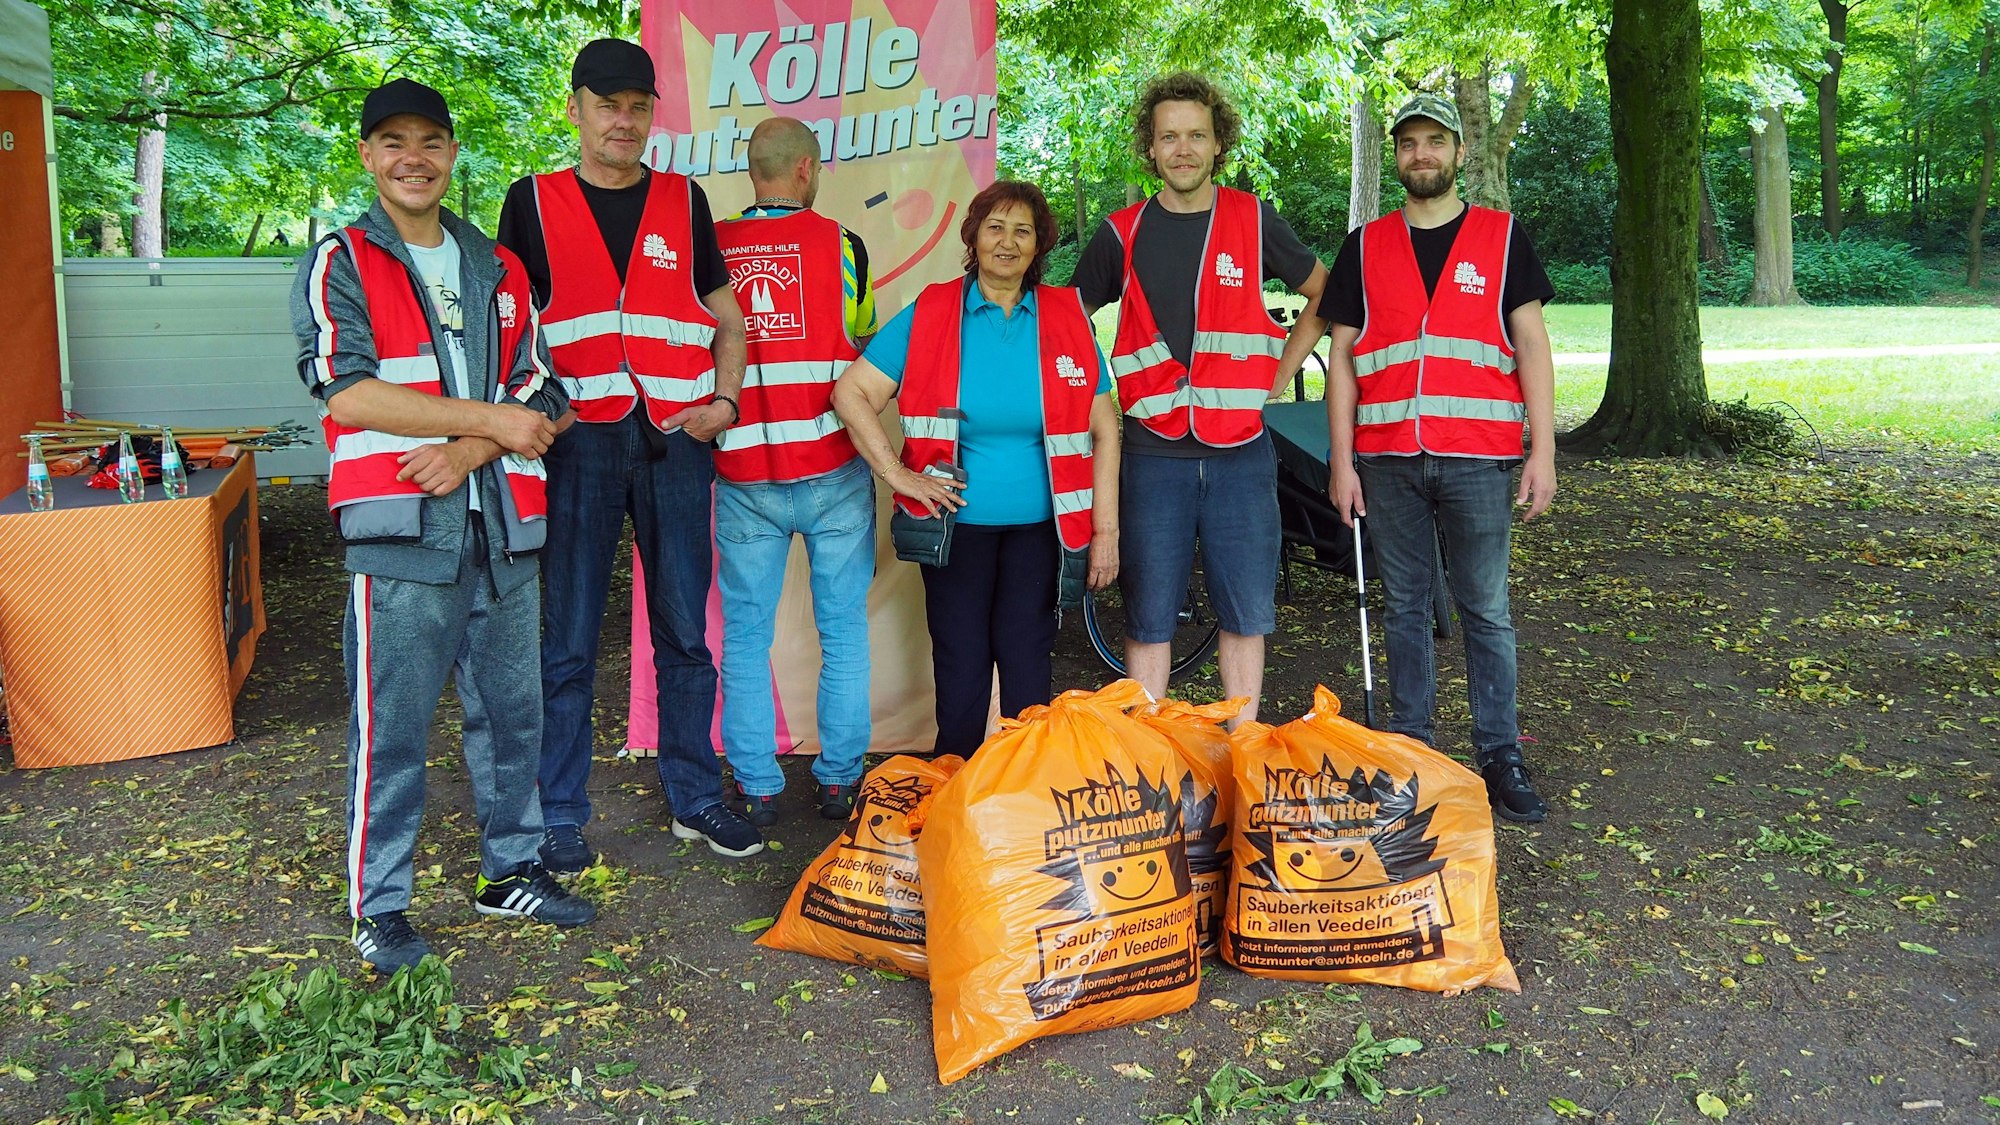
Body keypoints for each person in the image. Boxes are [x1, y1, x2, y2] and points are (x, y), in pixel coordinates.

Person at [291, 78, 595, 975]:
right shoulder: (341, 259)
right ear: (366, 156)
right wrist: (490, 424)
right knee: (391, 730)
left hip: (501, 524)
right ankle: (379, 904)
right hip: (398, 528)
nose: (413, 158)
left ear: (453, 153)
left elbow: (546, 393)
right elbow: (345, 387)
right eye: (393, 142)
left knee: (513, 717)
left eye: (430, 141)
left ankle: (511, 870)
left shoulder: (497, 264)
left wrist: (475, 445)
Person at [496, 40, 761, 863]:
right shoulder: (531, 202)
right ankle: (559, 810)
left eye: (638, 105)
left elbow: (728, 318)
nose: (623, 119)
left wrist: (724, 399)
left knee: (685, 630)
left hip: (676, 441)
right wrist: (543, 411)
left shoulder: (684, 202)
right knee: (568, 637)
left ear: (653, 113)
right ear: (574, 107)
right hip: (578, 445)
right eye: (607, 103)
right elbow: (511, 325)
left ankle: (694, 796)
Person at [1317, 93, 1558, 824]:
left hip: (1479, 459)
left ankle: (1499, 754)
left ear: (1458, 153)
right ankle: (1411, 749)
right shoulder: (1365, 244)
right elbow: (1343, 359)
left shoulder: (1502, 236)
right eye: (1408, 143)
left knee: (1486, 611)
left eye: (1433, 142)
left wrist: (1541, 449)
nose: (1420, 154)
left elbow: (1532, 346)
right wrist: (1340, 458)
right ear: (1396, 156)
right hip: (1386, 460)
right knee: (1404, 608)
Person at [1072, 72, 1326, 727]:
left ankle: (1243, 748)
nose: (1182, 149)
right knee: (1150, 610)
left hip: (1242, 450)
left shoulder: (1252, 217)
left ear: (1219, 145)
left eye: (1196, 136)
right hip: (1152, 454)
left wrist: (1281, 371)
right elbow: (1064, 329)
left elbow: (1327, 293)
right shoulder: (1120, 232)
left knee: (1245, 608)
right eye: (1168, 137)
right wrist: (1099, 400)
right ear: (1150, 149)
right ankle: (1152, 753)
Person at [833, 181, 1121, 756]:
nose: (1007, 242)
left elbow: (1105, 427)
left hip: (1042, 531)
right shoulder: (934, 309)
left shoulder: (1066, 314)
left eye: (1023, 231)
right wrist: (899, 475)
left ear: (1039, 246)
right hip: (953, 531)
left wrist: (1106, 532)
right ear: (973, 237)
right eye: (995, 227)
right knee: (961, 665)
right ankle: (953, 788)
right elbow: (850, 393)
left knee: (1028, 667)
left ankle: (1022, 792)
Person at [710, 117, 880, 824]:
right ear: (806, 169)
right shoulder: (843, 245)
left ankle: (756, 785)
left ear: (755, 171)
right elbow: (865, 340)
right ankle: (839, 780)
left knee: (746, 637)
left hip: (742, 473)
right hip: (835, 468)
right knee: (843, 632)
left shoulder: (710, 248)